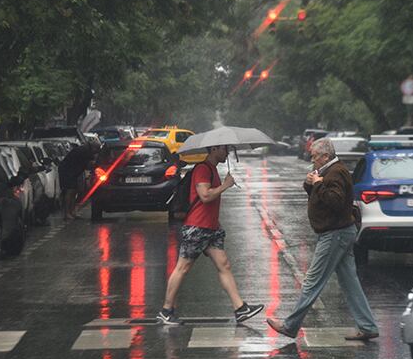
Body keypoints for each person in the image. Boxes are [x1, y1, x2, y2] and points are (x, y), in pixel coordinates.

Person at [267, 136, 380, 342]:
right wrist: (311, 183)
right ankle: (368, 326)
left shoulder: (336, 172)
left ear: (326, 155)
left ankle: (290, 326)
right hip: (339, 232)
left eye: (315, 157)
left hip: (335, 234)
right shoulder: (327, 171)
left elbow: (335, 201)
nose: (313, 161)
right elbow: (319, 195)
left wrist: (318, 184)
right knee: (349, 282)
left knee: (312, 281)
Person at [157, 145, 264, 326]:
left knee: (224, 265)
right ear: (214, 149)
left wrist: (216, 222)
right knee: (182, 268)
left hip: (211, 228)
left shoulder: (212, 169)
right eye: (224, 149)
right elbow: (205, 196)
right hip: (197, 228)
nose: (227, 153)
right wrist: (225, 185)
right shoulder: (202, 169)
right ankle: (166, 311)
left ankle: (240, 308)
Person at [59, 142, 93, 221]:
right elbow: (87, 164)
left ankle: (71, 212)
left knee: (74, 191)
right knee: (69, 191)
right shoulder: (83, 151)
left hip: (72, 172)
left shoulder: (83, 150)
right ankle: (67, 213)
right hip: (67, 172)